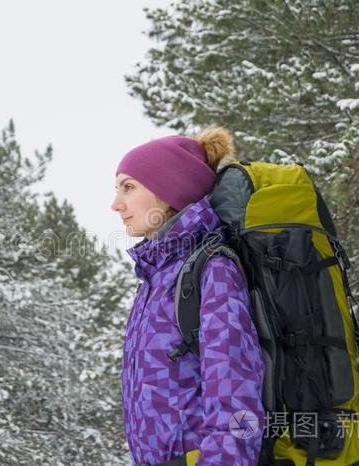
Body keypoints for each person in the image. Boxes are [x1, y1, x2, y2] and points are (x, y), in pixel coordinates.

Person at [111, 128, 265, 466]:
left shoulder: (212, 270)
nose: (116, 204)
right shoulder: (154, 277)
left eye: (129, 187)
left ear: (169, 192)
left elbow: (236, 403)